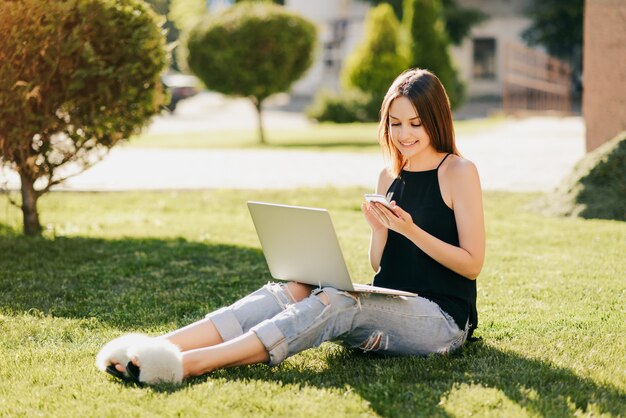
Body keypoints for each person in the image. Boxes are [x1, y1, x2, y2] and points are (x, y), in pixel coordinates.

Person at [95, 68, 485, 385]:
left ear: (435, 119)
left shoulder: (458, 171)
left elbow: (471, 264)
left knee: (339, 302)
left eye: (415, 123)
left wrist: (411, 230)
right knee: (295, 288)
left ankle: (189, 364)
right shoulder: (389, 175)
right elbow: (379, 265)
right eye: (395, 123)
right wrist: (380, 230)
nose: (403, 135)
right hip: (392, 304)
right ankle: (152, 347)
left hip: (442, 320)